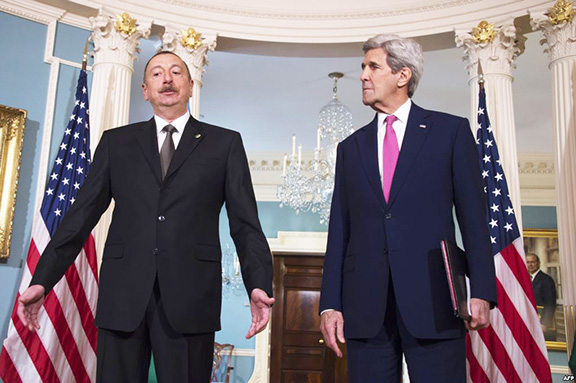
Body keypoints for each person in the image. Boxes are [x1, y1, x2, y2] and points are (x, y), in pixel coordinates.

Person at [17, 51, 274, 383]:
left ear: (191, 85)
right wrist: (42, 279)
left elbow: (245, 224)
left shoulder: (224, 144)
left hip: (191, 298)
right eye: (156, 73)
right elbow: (80, 216)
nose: (166, 79)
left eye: (176, 72)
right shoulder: (116, 143)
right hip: (123, 296)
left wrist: (257, 283)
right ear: (144, 89)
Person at [319, 34, 497, 383]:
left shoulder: (450, 132)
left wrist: (482, 292)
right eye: (363, 67)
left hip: (435, 300)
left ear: (403, 76)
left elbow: (474, 219)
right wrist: (330, 303)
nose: (363, 76)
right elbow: (339, 231)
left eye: (373, 66)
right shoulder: (350, 149)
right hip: (366, 308)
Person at [526, 253, 557, 336]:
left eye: (533, 262)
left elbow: (550, 303)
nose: (530, 265)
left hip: (541, 322)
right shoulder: (523, 279)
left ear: (538, 263)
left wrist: (544, 323)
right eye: (527, 262)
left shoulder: (546, 280)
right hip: (527, 321)